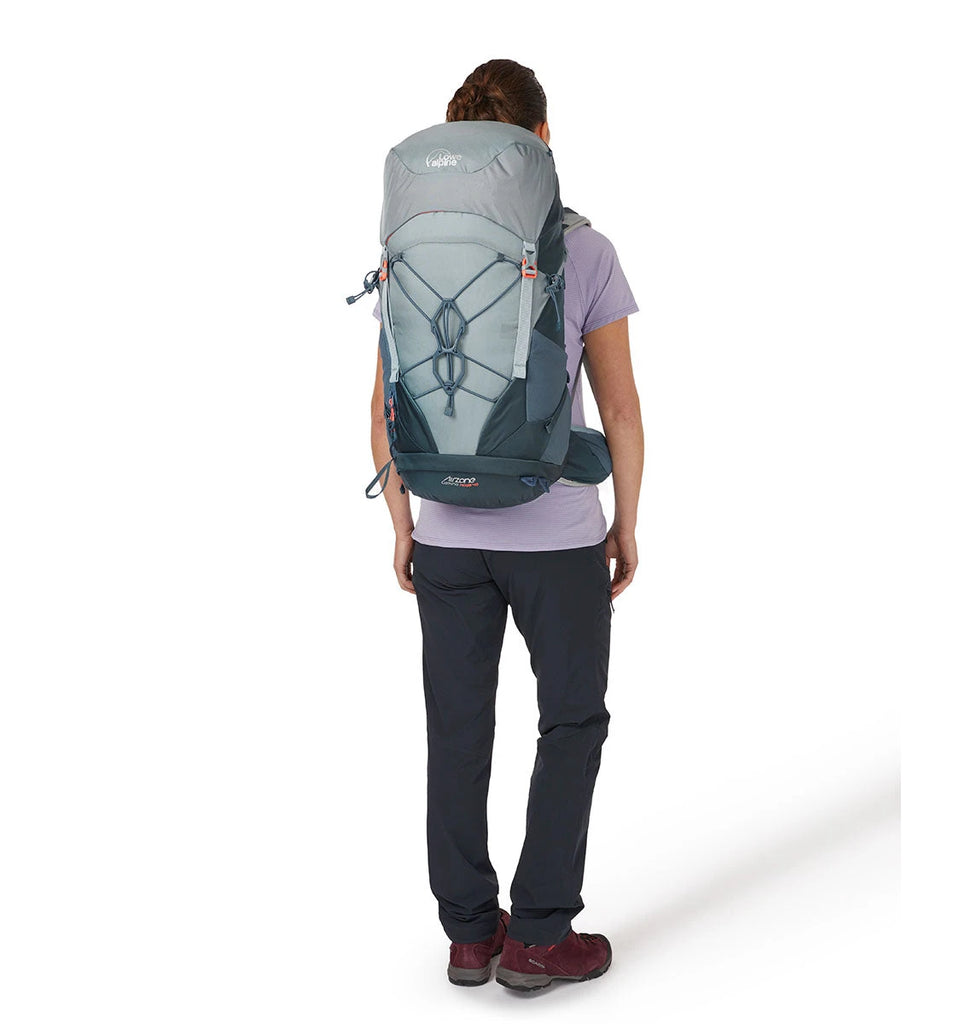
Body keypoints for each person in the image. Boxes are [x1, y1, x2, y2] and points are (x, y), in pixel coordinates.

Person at [368, 59, 643, 991]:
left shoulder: (412, 247)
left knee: (457, 727)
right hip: (557, 532)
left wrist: (402, 522)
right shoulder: (585, 250)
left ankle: (468, 935)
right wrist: (626, 522)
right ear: (543, 142)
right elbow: (622, 408)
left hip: (446, 533)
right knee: (570, 721)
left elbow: (384, 406)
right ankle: (539, 935)